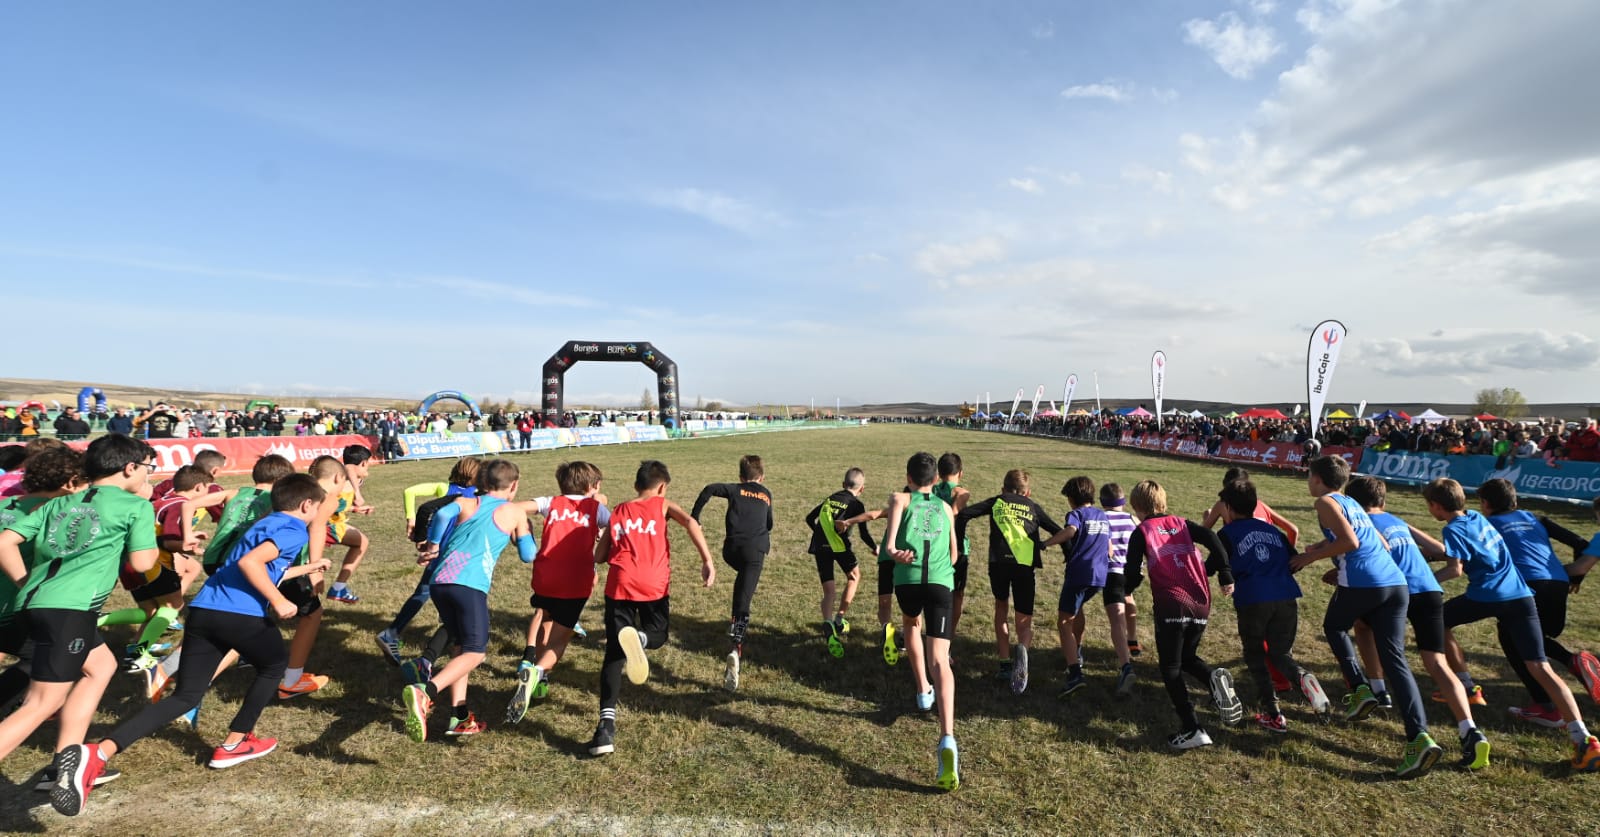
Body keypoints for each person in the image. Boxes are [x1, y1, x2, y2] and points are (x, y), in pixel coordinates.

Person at [51, 474, 331, 816]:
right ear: (307, 505)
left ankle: (99, 752)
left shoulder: (266, 522)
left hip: (205, 610)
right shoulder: (294, 529)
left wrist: (309, 566)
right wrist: (279, 601)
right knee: (273, 667)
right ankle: (237, 741)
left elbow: (256, 566)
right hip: (238, 614)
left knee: (185, 696)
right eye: (318, 508)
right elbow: (250, 564)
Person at [0, 435, 159, 786]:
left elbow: (4, 541)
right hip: (69, 609)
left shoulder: (59, 503)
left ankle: (65, 765)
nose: (149, 476)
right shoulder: (135, 505)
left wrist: (28, 581)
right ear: (130, 468)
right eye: (148, 469)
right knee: (41, 702)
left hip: (34, 602)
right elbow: (143, 562)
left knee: (101, 665)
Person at [1422, 478, 1600, 771]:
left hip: (1488, 595)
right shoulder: (1477, 517)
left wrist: (1422, 580)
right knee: (1540, 666)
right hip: (1521, 595)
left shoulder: (1452, 528)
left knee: (1436, 620)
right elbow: (1467, 550)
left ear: (1435, 507)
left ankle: (1466, 686)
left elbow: (1455, 568)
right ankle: (1583, 739)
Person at [1289, 456, 1441, 777]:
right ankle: (1419, 737)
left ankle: (1360, 690)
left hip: (1365, 582)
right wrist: (1325, 546)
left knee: (1334, 627)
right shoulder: (1350, 502)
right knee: (1396, 661)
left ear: (1317, 479)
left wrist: (1309, 556)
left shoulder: (1325, 502)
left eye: (1309, 476)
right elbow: (1380, 541)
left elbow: (1351, 541)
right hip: (1396, 584)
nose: (1308, 482)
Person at [1343, 476, 1488, 770]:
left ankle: (1378, 690)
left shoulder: (1359, 523)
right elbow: (1442, 551)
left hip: (1395, 591)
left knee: (1363, 626)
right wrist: (1416, 556)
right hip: (1430, 590)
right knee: (1437, 662)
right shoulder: (1396, 519)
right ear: (1382, 501)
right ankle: (1469, 729)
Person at [401, 459, 537, 742]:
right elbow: (528, 555)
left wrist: (433, 544)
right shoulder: (514, 511)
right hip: (469, 585)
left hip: (440, 582)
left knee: (461, 646)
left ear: (481, 483)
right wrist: (526, 535)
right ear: (514, 485)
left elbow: (439, 516)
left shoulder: (465, 501)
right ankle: (425, 691)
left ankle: (460, 716)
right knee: (476, 652)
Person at [586, 460, 714, 757]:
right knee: (658, 635)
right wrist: (707, 560)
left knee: (614, 655)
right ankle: (641, 640)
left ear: (635, 486)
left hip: (620, 583)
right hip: (653, 584)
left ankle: (605, 728)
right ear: (662, 486)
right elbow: (691, 522)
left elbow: (601, 555)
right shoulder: (662, 504)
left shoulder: (618, 510)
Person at [1123, 480, 1240, 750]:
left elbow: (1131, 572)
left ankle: (1192, 728)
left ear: (1137, 506)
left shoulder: (1142, 531)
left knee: (1170, 668)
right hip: (1200, 601)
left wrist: (1125, 590)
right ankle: (1214, 682)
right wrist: (1225, 573)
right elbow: (1213, 537)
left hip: (1171, 603)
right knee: (1186, 658)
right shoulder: (1183, 523)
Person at [1215, 479, 1330, 733]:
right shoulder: (1273, 531)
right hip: (1286, 596)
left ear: (1229, 508)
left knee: (1255, 655)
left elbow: (1215, 565)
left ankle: (1274, 714)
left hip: (1253, 599)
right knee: (1280, 654)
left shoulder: (1227, 533)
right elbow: (1294, 561)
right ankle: (1302, 676)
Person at [876, 452, 961, 791]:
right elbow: (955, 552)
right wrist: (944, 569)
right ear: (935, 479)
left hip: (908, 579)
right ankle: (947, 738)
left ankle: (922, 690)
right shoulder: (944, 507)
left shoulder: (899, 497)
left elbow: (892, 542)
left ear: (908, 477)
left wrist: (896, 551)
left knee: (911, 623)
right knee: (941, 658)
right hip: (942, 581)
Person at [1477, 478, 1600, 711]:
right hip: (1557, 583)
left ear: (1485, 503)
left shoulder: (1488, 525)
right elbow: (1581, 543)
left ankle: (1545, 702)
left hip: (1526, 586)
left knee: (1511, 636)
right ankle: (1569, 666)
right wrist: (1576, 577)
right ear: (1515, 500)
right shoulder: (1535, 518)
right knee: (1533, 637)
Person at [506, 461, 609, 724]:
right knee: (562, 637)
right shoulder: (595, 507)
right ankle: (538, 672)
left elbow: (513, 508)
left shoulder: (550, 502)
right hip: (574, 582)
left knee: (547, 620)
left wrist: (523, 531)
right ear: (591, 486)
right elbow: (618, 525)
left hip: (545, 578)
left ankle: (540, 677)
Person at [955, 470, 1061, 693]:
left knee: (1001, 607)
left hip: (998, 564)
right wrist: (1068, 555)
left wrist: (956, 544)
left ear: (1002, 489)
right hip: (1024, 567)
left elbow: (964, 515)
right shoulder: (1033, 506)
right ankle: (1022, 647)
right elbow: (1058, 531)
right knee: (1024, 619)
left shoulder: (997, 501)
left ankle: (1004, 664)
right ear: (1028, 492)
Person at [0, 447, 85, 716]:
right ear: (70, 481)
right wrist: (27, 584)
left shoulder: (5, 504)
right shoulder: (49, 513)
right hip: (9, 608)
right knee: (44, 655)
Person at [376, 457, 482, 666]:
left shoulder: (444, 488)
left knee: (430, 593)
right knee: (428, 593)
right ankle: (391, 634)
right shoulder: (476, 497)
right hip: (446, 554)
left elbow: (410, 491)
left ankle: (448, 635)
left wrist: (411, 519)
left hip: (440, 550)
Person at [689, 455, 772, 691]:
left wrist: (696, 517)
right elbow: (770, 524)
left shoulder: (735, 489)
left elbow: (709, 489)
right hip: (755, 550)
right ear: (762, 477)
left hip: (731, 549)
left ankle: (736, 628)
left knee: (742, 583)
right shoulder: (766, 493)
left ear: (740, 477)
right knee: (743, 599)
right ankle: (736, 645)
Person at [1042, 476, 1119, 698]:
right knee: (1078, 609)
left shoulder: (1076, 515)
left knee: (1064, 622)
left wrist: (1046, 543)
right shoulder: (1102, 516)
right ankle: (1077, 651)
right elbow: (1111, 550)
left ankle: (1074, 673)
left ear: (1072, 498)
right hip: (1099, 577)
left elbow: (1070, 531)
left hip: (1078, 574)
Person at [804, 467, 878, 658]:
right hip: (840, 547)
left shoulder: (830, 498)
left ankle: (828, 623)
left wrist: (820, 533)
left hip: (820, 547)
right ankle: (839, 619)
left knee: (829, 591)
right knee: (854, 576)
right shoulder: (856, 504)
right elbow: (864, 533)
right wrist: (874, 547)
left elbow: (809, 518)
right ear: (861, 489)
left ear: (843, 484)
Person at [323, 445, 374, 603]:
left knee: (361, 542)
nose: (368, 469)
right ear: (364, 463)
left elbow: (336, 503)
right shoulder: (345, 475)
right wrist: (358, 495)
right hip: (324, 526)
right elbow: (350, 467)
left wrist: (354, 509)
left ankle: (338, 588)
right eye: (368, 464)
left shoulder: (352, 479)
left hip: (331, 523)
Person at [930, 453, 972, 637]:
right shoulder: (962, 493)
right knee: (956, 595)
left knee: (933, 593)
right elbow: (953, 516)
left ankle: (930, 633)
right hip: (957, 549)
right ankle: (947, 638)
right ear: (960, 473)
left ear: (939, 472)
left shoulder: (930, 490)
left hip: (932, 546)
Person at [1098, 484, 1142, 659]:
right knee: (1128, 597)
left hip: (1113, 572)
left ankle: (1124, 656)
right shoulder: (1133, 519)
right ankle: (1133, 639)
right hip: (1133, 572)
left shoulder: (1101, 517)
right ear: (1123, 501)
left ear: (1102, 501)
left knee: (1116, 616)